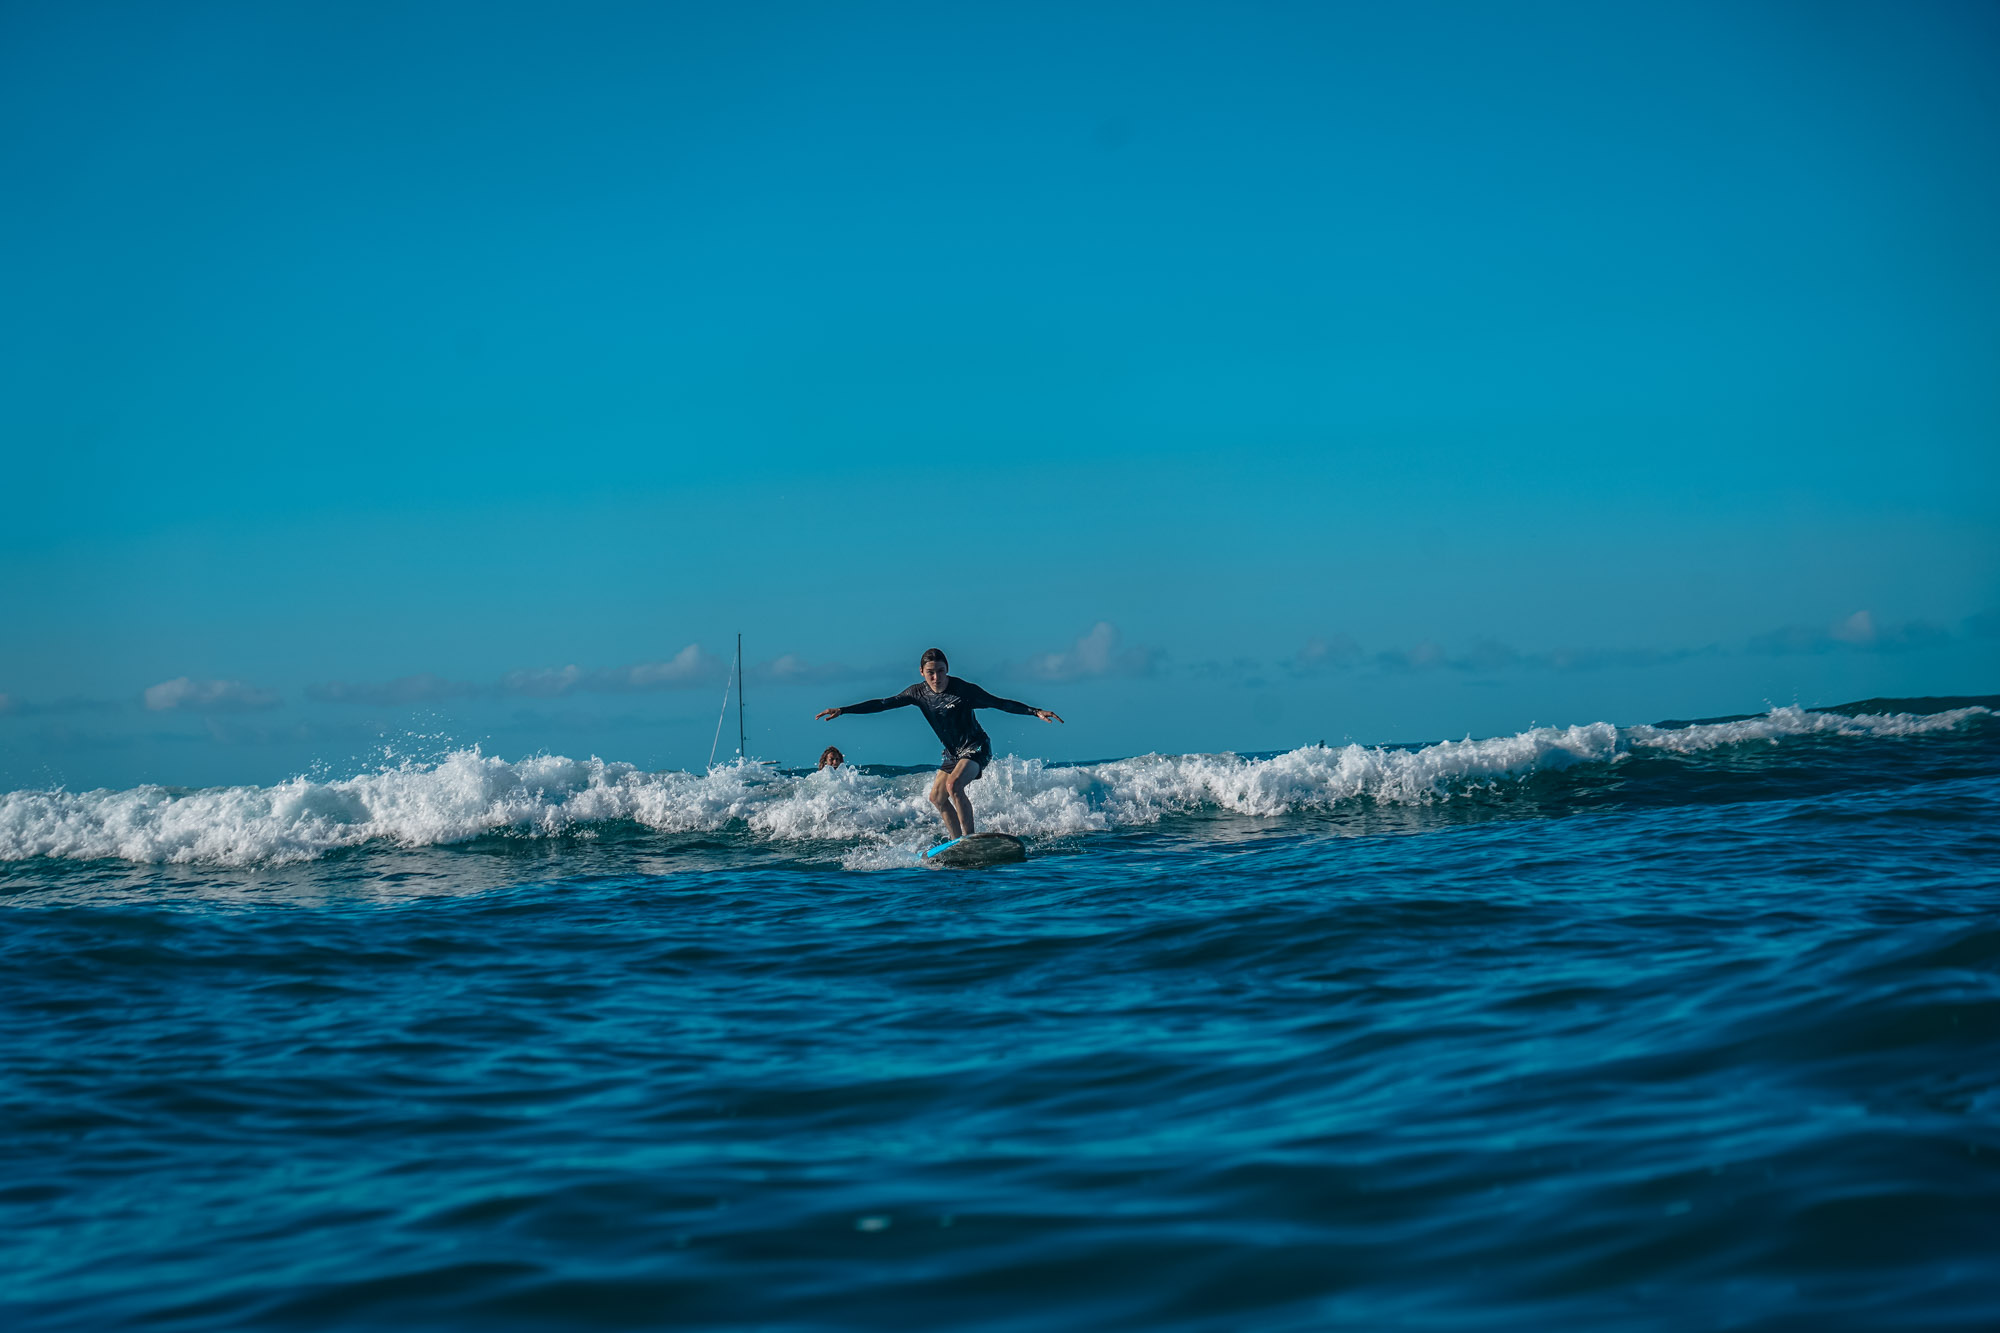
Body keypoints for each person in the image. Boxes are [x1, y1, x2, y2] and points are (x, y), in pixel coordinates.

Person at [816, 647, 1062, 838]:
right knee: (937, 798)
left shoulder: (964, 690)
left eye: (941, 671)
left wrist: (1034, 711)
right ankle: (958, 844)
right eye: (931, 672)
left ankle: (969, 838)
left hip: (977, 747)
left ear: (948, 669)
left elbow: (999, 702)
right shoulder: (917, 693)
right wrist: (844, 710)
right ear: (922, 672)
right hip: (953, 753)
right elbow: (882, 703)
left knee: (954, 786)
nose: (936, 677)